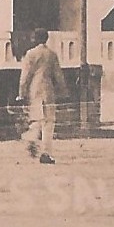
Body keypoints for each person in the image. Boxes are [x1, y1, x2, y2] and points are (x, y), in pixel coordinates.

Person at [17, 28, 68, 164]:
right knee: (48, 123)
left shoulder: (30, 54)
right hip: (48, 90)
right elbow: (58, 75)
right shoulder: (51, 54)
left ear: (34, 39)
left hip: (34, 90)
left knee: (35, 119)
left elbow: (25, 76)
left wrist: (21, 93)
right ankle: (46, 153)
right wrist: (63, 91)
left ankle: (31, 140)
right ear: (46, 39)